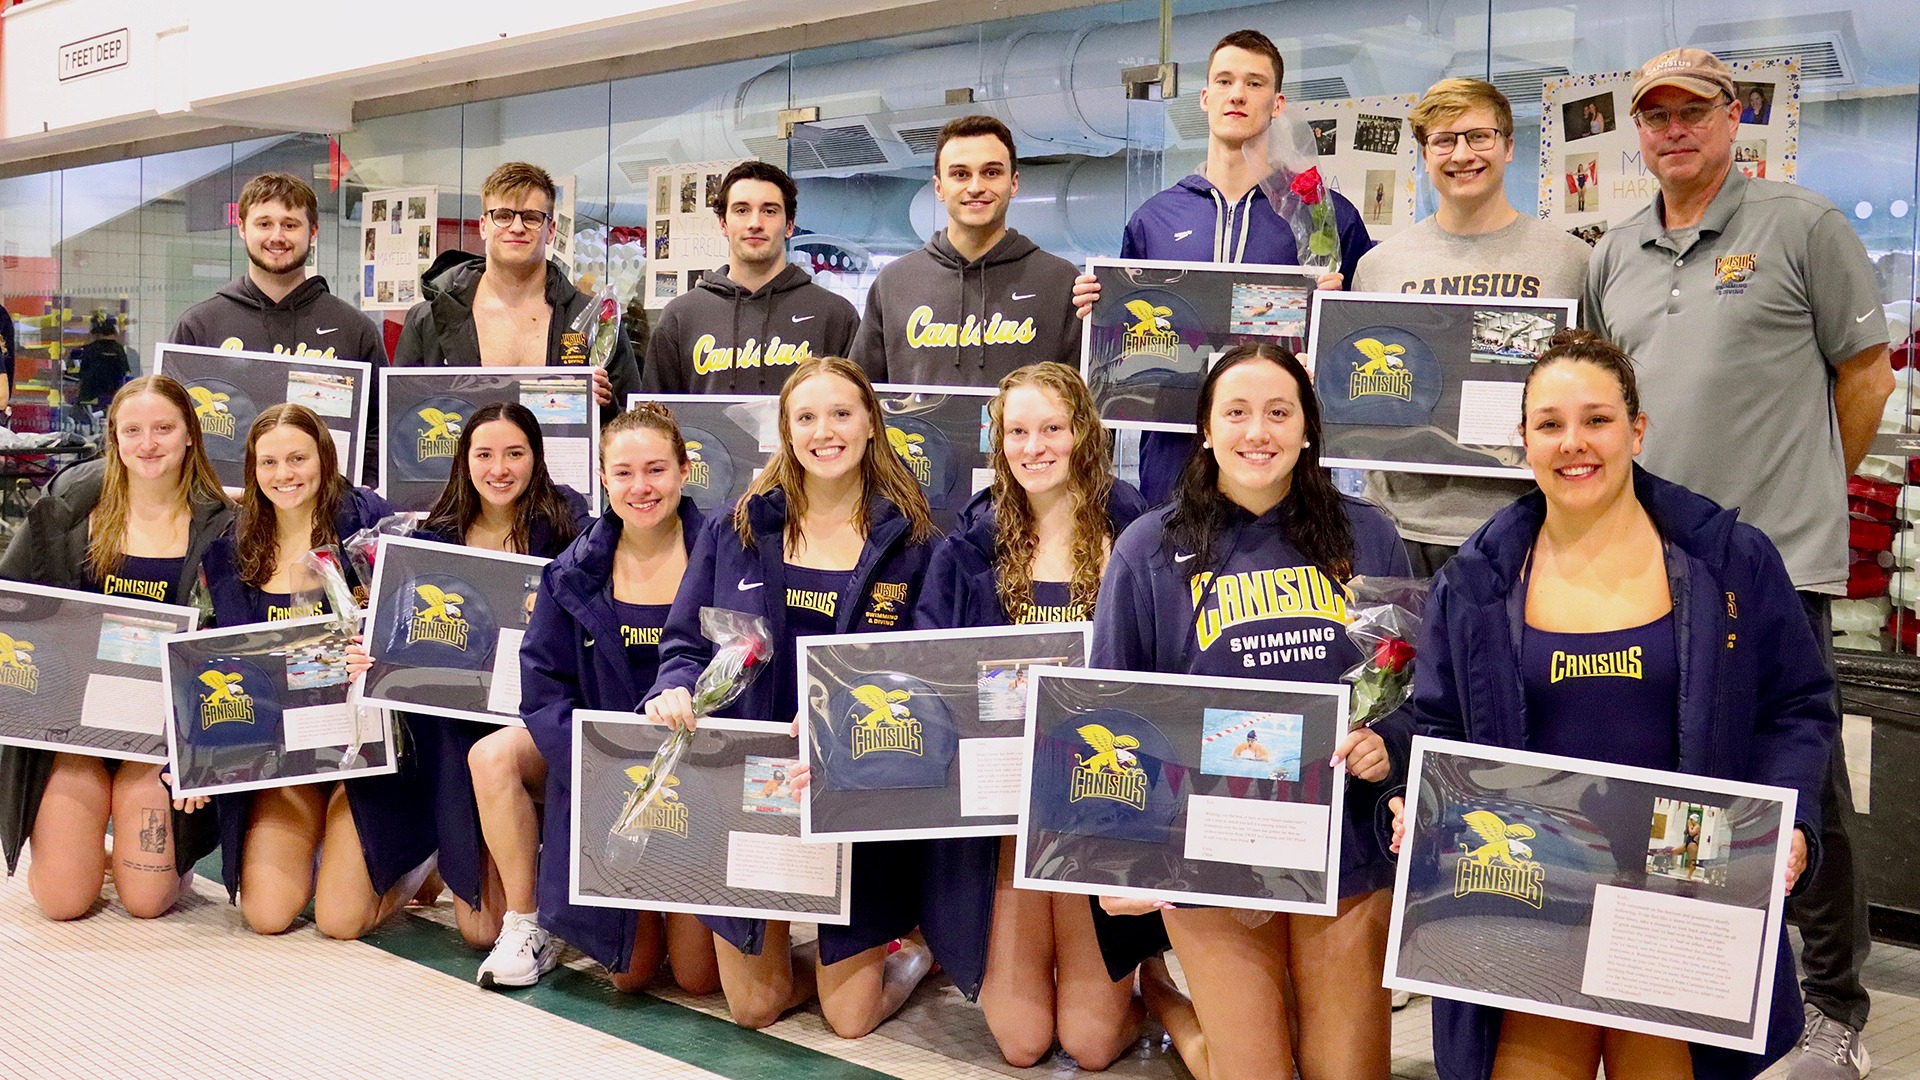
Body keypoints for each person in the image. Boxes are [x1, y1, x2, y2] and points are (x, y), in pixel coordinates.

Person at [1396, 329, 1835, 1080]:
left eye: (1597, 420)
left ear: (1637, 428)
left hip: (1676, 894)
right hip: (1533, 896)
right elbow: (1438, 725)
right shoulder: (1477, 583)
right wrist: (1414, 800)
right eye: (1551, 425)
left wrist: (1791, 820)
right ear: (1524, 442)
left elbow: (1795, 707)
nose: (1576, 444)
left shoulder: (1728, 562)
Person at [1586, 48, 1893, 1080]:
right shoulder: (1616, 249)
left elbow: (1866, 376)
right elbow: (1606, 407)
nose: (1673, 128)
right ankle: (1697, 973)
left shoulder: (1801, 227)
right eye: (1655, 114)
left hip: (1771, 570)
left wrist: (1801, 500)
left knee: (1800, 789)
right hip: (1648, 567)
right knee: (1674, 775)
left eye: (1693, 111)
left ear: (1734, 118)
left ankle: (1835, 1008)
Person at [1092, 343, 1409, 1080]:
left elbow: (1406, 684)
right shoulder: (1149, 548)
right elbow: (1114, 707)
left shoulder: (1370, 534)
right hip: (1211, 845)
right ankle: (1182, 1014)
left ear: (1307, 429)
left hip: (1343, 841)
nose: (1256, 431)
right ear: (1206, 429)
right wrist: (1124, 854)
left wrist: (1385, 742)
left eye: (1278, 412)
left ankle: (1190, 1020)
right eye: (1236, 412)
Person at [643, 356, 938, 1036]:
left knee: (851, 1018)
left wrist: (842, 712)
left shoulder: (916, 541)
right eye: (806, 417)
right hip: (753, 785)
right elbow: (684, 643)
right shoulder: (736, 529)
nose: (824, 431)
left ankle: (915, 944)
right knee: (753, 1007)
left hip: (854, 788)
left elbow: (926, 675)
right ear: (786, 430)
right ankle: (817, 947)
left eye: (841, 414)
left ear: (871, 424)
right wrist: (672, 689)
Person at [910, 362, 1148, 1068]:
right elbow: (927, 673)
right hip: (1006, 818)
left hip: (1097, 808)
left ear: (1084, 434)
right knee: (1021, 1044)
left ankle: (1155, 985)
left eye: (1052, 428)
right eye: (1018, 431)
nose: (1034, 446)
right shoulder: (968, 545)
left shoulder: (1139, 532)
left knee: (1092, 1044)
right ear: (998, 441)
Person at [1072, 30, 1374, 505]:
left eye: (1255, 84)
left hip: (1279, 467)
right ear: (1205, 98)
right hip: (1173, 463)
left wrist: (1332, 321)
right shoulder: (1154, 218)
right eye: (1226, 81)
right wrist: (1099, 308)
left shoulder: (1320, 214)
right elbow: (1128, 341)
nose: (1238, 94)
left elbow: (1358, 352)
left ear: (1277, 104)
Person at [487, 403, 721, 994]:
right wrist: (594, 765)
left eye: (656, 470)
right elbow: (542, 686)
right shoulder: (573, 571)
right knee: (629, 976)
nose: (641, 488)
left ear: (685, 471)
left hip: (698, 770)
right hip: (609, 773)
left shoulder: (725, 554)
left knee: (696, 978)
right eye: (623, 473)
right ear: (602, 477)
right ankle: (533, 920)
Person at [0, 376, 235, 919]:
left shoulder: (224, 528)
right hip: (75, 729)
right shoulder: (68, 514)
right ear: (114, 438)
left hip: (155, 737)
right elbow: (14, 611)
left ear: (190, 436)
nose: (148, 443)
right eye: (133, 430)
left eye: (163, 428)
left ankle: (130, 853)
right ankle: (91, 849)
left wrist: (198, 755)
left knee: (148, 902)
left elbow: (230, 649)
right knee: (63, 901)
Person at [199, 404, 436, 939]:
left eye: (298, 458)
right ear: (252, 472)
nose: (284, 474)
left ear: (324, 459)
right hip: (287, 756)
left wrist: (379, 658)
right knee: (267, 915)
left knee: (339, 920)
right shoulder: (231, 554)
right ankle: (324, 846)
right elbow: (213, 662)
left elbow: (418, 634)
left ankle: (422, 856)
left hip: (364, 751)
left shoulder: (371, 529)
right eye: (269, 463)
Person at [1356, 79, 1591, 575]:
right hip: (1400, 529)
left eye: (1479, 137)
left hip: (1530, 525)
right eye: (1444, 140)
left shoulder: (1572, 260)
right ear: (1424, 155)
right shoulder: (1378, 268)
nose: (1462, 154)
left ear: (1508, 147)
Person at [398, 401, 587, 974]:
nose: (499, 468)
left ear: (536, 457)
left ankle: (541, 890)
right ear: (464, 461)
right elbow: (409, 638)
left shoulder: (569, 525)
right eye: (484, 454)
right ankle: (433, 855)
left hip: (537, 715)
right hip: (458, 722)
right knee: (478, 930)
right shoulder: (436, 535)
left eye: (514, 453)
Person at [170, 172, 389, 474]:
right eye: (264, 223)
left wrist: (356, 494)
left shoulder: (353, 328)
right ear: (242, 229)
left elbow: (378, 433)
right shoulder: (200, 325)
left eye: (290, 224)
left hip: (326, 512)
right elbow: (172, 428)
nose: (277, 236)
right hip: (223, 510)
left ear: (313, 231)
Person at [850, 116, 1081, 387]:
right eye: (960, 174)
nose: (975, 187)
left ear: (1014, 183)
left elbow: (1087, 408)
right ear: (939, 187)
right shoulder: (893, 283)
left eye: (991, 173)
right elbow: (860, 398)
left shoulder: (1061, 282)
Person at [393, 162, 635, 415]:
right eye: (503, 216)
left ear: (551, 230)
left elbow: (634, 427)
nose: (517, 227)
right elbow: (401, 419)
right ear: (483, 226)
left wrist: (606, 405)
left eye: (531, 217)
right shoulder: (429, 319)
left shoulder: (597, 321)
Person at [640, 161, 860, 394]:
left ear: (789, 226)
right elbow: (655, 421)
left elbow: (857, 414)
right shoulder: (681, 317)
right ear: (723, 224)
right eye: (742, 210)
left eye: (769, 211)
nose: (755, 223)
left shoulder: (835, 316)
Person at [72, 313, 131, 408]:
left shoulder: (90, 349)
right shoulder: (119, 349)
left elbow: (82, 373)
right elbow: (125, 371)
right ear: (114, 333)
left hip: (89, 395)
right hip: (112, 394)